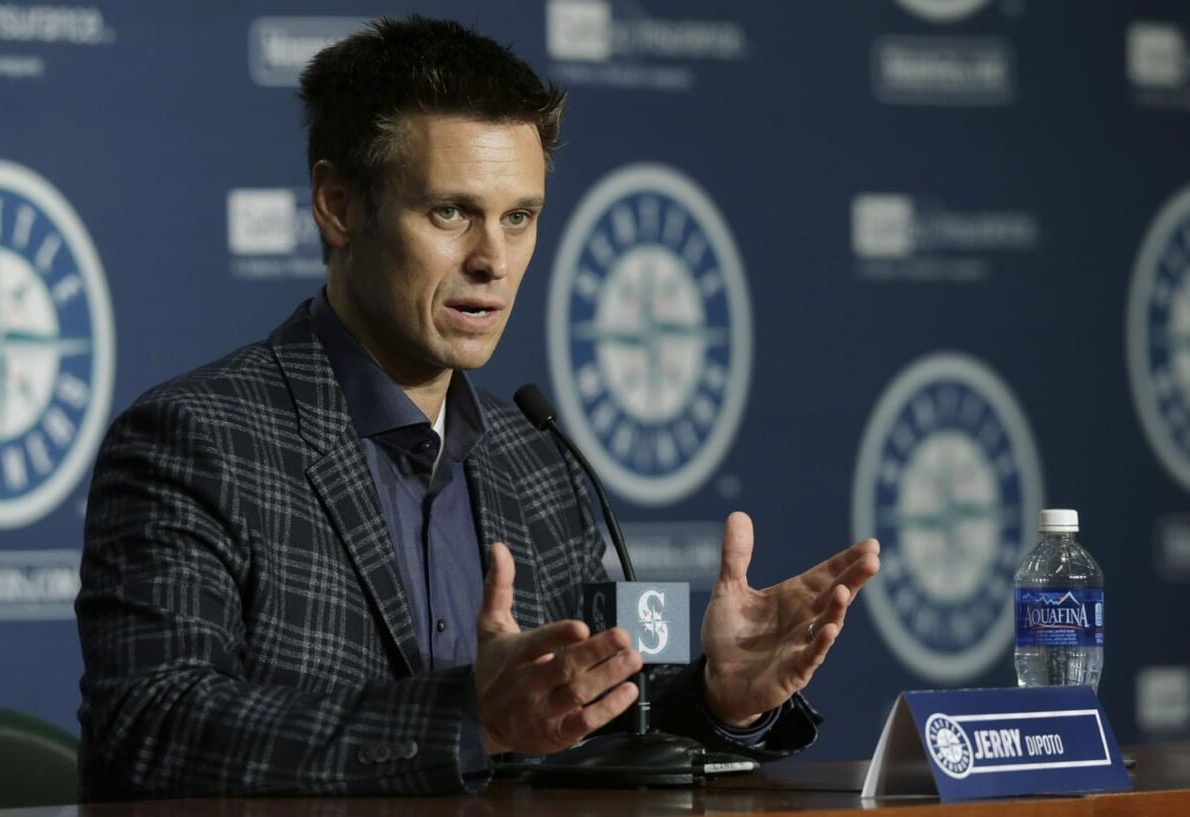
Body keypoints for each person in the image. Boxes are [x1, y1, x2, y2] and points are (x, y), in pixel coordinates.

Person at [75, 16, 880, 800]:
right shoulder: (198, 438)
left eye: (519, 217)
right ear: (338, 205)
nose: (493, 261)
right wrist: (467, 720)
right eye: (450, 212)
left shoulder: (536, 463)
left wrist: (716, 697)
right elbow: (151, 727)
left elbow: (577, 730)